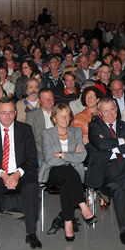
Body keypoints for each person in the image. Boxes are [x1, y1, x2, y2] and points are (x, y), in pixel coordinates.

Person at [0, 96, 42, 250]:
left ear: (15, 112)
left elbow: (32, 159)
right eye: (3, 113)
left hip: (21, 173)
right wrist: (4, 176)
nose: (7, 116)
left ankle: (31, 233)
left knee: (31, 187)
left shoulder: (25, 129)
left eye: (10, 112)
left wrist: (16, 175)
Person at [86, 97, 125, 245]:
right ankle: (124, 230)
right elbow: (100, 144)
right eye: (106, 111)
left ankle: (110, 188)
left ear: (117, 109)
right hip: (108, 164)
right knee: (122, 188)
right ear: (100, 113)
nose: (110, 113)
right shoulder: (94, 126)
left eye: (112, 109)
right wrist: (121, 141)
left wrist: (110, 143)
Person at [40, 103, 97, 241]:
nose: (64, 118)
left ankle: (68, 222)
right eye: (61, 115)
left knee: (67, 183)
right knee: (67, 171)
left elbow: (82, 156)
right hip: (53, 172)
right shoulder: (46, 134)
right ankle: (83, 205)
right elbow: (48, 159)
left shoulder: (76, 132)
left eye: (67, 115)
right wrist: (71, 156)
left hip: (71, 173)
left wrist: (60, 154)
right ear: (54, 118)